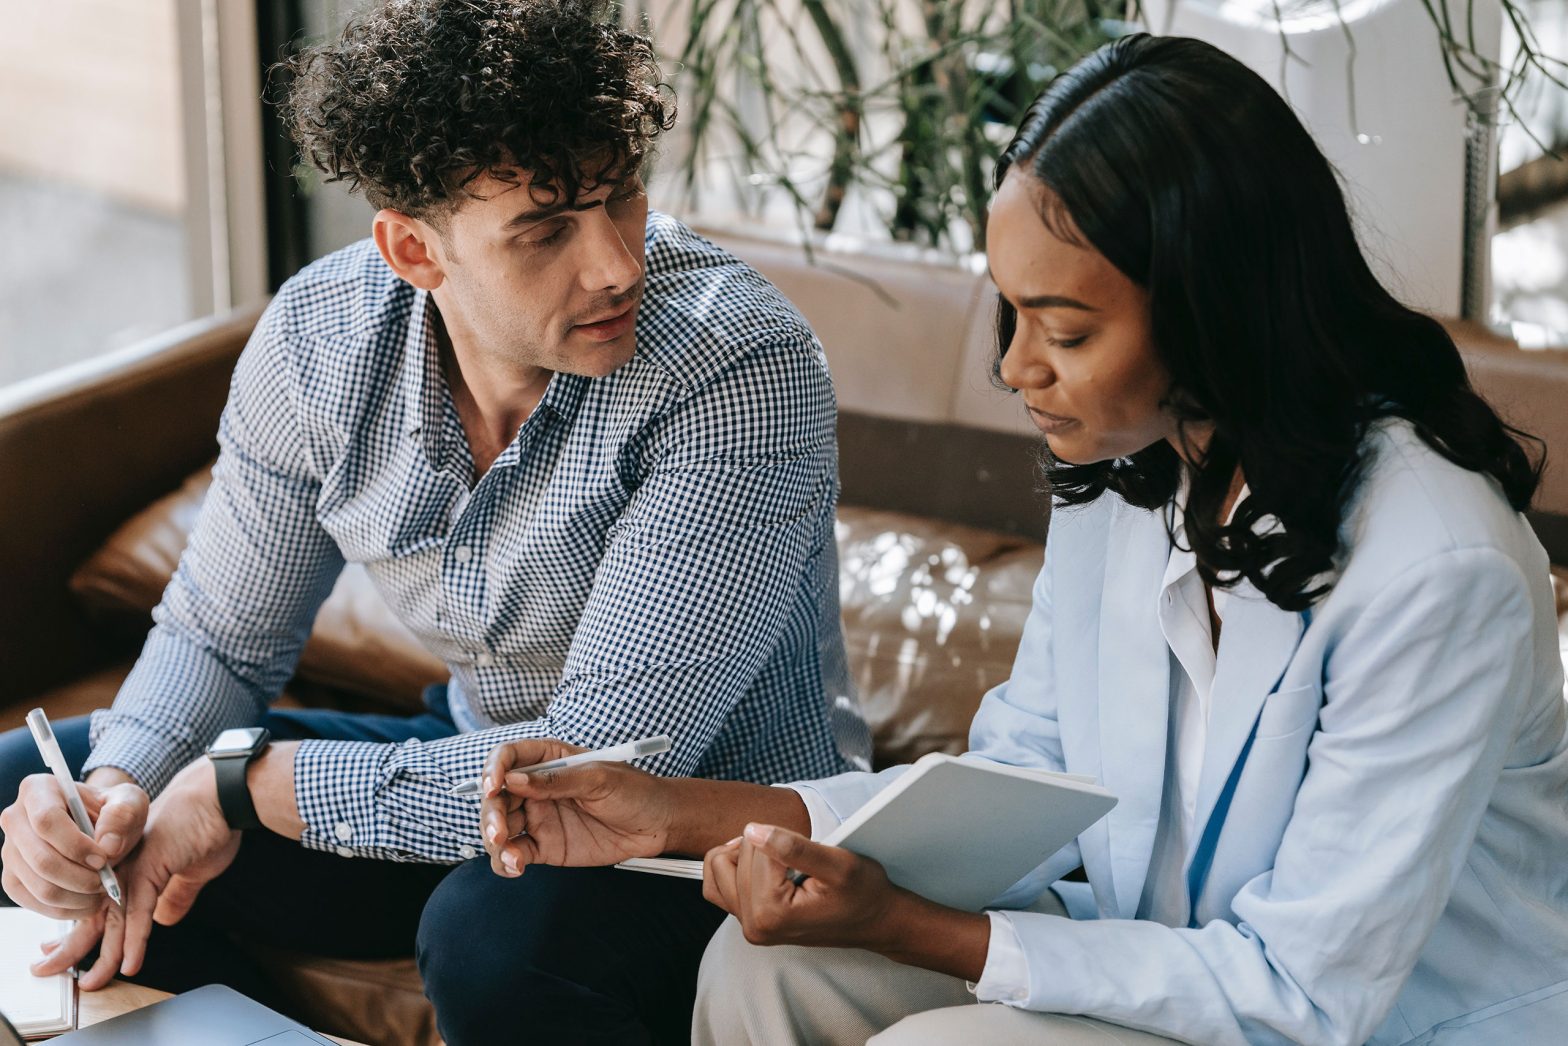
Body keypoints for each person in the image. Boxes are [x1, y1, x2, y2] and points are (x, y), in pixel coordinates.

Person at [474, 34, 1568, 1045]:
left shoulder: (1438, 567)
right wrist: (667, 811)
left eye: (1067, 328)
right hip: (1170, 959)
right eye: (1011, 313)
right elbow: (1023, 782)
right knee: (765, 972)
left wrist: (910, 925)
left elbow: (1301, 988)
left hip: (1361, 1019)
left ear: (1212, 306)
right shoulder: (1132, 467)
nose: (1015, 367)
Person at [0, 1, 868, 1042]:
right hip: (464, 758)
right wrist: (114, 790)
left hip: (695, 824)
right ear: (413, 249)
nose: (615, 264)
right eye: (545, 231)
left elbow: (597, 767)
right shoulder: (318, 343)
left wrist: (245, 784)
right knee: (41, 792)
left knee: (495, 933)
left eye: (621, 197)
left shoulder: (738, 364)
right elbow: (220, 635)